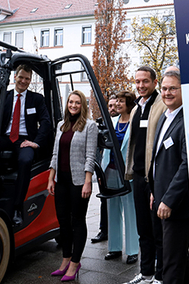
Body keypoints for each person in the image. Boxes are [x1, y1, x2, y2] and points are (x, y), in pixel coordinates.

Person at [47, 90, 98, 282]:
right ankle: (66, 259)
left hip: (78, 181)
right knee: (63, 221)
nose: (73, 105)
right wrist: (51, 178)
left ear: (82, 105)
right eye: (71, 102)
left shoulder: (89, 126)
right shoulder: (61, 125)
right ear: (67, 104)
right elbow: (55, 154)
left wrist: (87, 181)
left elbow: (90, 156)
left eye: (77, 102)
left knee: (77, 220)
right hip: (61, 181)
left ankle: (76, 262)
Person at [150, 69, 189, 284]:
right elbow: (159, 160)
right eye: (164, 88)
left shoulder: (186, 120)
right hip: (161, 199)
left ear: (182, 90)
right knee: (178, 259)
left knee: (171, 265)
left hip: (177, 206)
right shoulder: (165, 117)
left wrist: (168, 199)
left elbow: (187, 165)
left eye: (172, 89)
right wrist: (154, 192)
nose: (167, 93)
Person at [123, 66, 166, 284]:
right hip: (138, 176)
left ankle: (160, 276)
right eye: (138, 82)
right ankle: (146, 272)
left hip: (155, 178)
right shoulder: (136, 109)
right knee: (143, 229)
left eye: (145, 81)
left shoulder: (161, 106)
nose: (141, 85)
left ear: (154, 82)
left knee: (157, 229)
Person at [0, 64, 52, 225]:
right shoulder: (4, 96)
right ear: (15, 77)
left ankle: (17, 207)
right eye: (21, 77)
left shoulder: (37, 99)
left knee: (25, 160)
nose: (23, 81)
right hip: (5, 138)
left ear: (30, 80)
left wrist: (36, 143)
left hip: (25, 140)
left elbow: (46, 122)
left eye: (27, 78)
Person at [101, 91, 139, 264]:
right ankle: (114, 248)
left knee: (130, 210)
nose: (117, 104)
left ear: (129, 104)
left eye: (121, 101)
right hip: (111, 170)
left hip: (128, 172)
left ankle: (132, 250)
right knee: (112, 209)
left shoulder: (135, 122)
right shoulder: (113, 122)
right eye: (117, 101)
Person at [91, 95, 119, 243]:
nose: (113, 109)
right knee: (105, 201)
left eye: (115, 105)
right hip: (106, 168)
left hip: (121, 169)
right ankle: (104, 231)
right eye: (110, 106)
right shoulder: (102, 124)